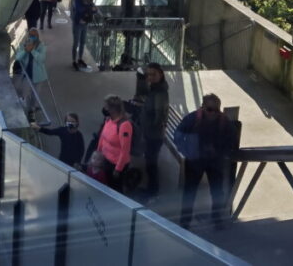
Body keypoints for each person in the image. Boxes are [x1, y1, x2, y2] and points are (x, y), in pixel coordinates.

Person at [175, 93, 237, 228]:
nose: (213, 113)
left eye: (216, 110)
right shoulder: (192, 118)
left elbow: (231, 140)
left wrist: (221, 153)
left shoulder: (224, 121)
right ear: (202, 107)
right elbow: (178, 135)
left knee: (216, 191)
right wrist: (187, 152)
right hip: (195, 161)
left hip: (214, 162)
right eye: (210, 109)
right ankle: (185, 221)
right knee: (190, 192)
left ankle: (217, 219)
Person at [130, 63, 169, 199]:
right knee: (150, 162)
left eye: (154, 74)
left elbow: (160, 114)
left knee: (151, 164)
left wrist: (150, 129)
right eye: (149, 74)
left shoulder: (160, 92)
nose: (150, 77)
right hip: (150, 132)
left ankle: (153, 191)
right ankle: (152, 189)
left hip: (153, 135)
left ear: (161, 74)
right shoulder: (154, 88)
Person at [96, 95, 133, 193]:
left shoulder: (124, 125)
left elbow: (125, 150)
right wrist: (98, 154)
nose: (104, 109)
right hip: (106, 160)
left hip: (116, 164)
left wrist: (118, 169)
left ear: (112, 109)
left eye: (106, 107)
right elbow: (102, 138)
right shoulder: (108, 120)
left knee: (116, 190)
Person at [14, 29, 47, 115]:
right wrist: (25, 50)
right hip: (27, 75)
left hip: (38, 76)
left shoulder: (42, 46)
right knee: (26, 93)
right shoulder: (24, 45)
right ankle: (27, 109)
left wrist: (32, 50)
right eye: (31, 35)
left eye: (34, 35)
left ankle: (33, 109)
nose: (32, 37)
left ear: (38, 36)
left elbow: (41, 59)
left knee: (35, 94)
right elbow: (18, 58)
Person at [70, 0, 95, 70]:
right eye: (86, 2)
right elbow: (79, 9)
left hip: (85, 24)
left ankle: (80, 59)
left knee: (82, 42)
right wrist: (89, 8)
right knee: (76, 43)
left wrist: (90, 8)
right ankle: (74, 60)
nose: (86, 4)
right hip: (77, 24)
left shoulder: (89, 1)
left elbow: (95, 10)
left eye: (88, 3)